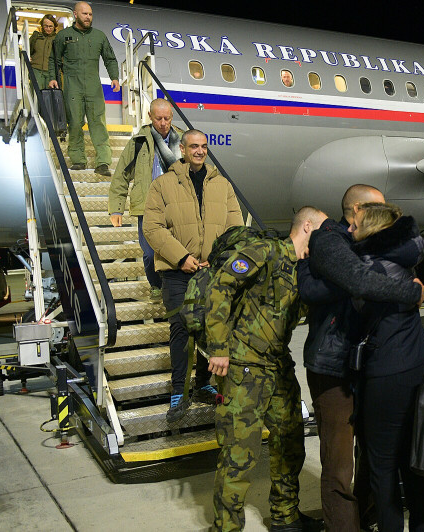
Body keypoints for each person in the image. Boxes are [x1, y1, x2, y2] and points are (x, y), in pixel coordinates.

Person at [297, 185, 424, 532]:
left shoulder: (372, 245)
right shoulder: (330, 240)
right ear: (357, 210)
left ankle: (366, 518)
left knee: (373, 456)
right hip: (333, 366)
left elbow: (413, 246)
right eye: (377, 207)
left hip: (368, 366)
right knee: (340, 464)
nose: (385, 214)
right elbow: (357, 280)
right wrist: (410, 290)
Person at [206, 207, 328, 532]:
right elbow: (220, 288)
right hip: (243, 365)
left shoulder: (305, 269)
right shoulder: (264, 251)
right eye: (323, 231)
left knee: (290, 439)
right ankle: (226, 527)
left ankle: (285, 517)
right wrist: (218, 347)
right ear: (307, 227)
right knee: (239, 452)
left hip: (277, 363)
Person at [142, 129, 242, 422]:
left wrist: (219, 257)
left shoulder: (222, 184)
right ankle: (179, 393)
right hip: (177, 273)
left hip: (212, 271)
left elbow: (235, 227)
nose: (199, 151)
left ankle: (202, 385)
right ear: (182, 150)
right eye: (194, 146)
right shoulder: (162, 185)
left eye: (203, 146)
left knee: (211, 328)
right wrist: (181, 257)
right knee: (181, 329)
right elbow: (152, 227)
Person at [349, 202, 424, 532]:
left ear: (371, 228)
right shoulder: (405, 258)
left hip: (386, 371)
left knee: (383, 466)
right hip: (418, 364)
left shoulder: (370, 266)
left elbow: (357, 310)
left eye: (356, 225)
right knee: (414, 463)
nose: (350, 230)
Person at [108, 98, 182, 302]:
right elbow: (121, 175)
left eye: (167, 118)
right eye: (158, 118)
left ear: (172, 116)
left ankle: (173, 287)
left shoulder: (182, 140)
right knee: (150, 253)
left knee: (176, 249)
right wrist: (116, 208)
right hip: (148, 207)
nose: (163, 123)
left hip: (176, 207)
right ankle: (155, 285)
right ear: (150, 116)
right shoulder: (138, 142)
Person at [48, 1, 120, 176]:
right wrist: (53, 77)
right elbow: (54, 60)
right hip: (72, 86)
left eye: (90, 14)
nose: (88, 17)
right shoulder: (63, 36)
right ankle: (78, 160)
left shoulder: (99, 36)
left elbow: (110, 58)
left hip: (93, 87)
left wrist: (114, 77)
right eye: (84, 14)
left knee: (98, 123)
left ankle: (103, 162)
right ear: (75, 14)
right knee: (74, 123)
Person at [29, 14, 57, 89]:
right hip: (36, 70)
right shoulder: (36, 37)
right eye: (46, 26)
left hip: (51, 72)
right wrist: (28, 57)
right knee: (36, 93)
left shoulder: (57, 39)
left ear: (54, 27)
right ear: (42, 26)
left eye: (50, 26)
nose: (48, 28)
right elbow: (25, 49)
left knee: (50, 94)